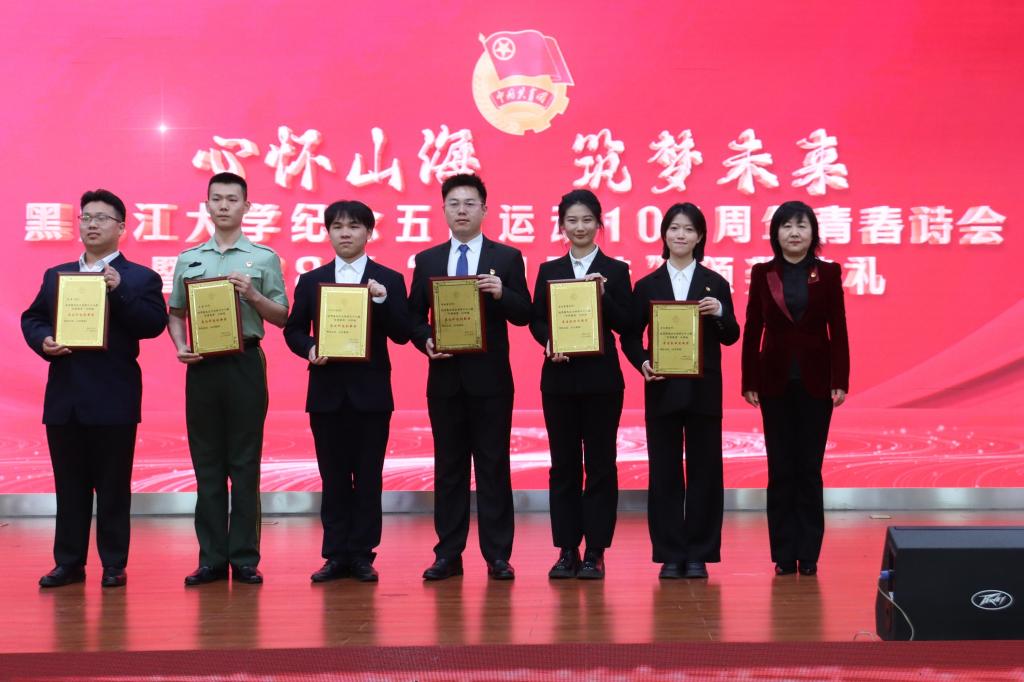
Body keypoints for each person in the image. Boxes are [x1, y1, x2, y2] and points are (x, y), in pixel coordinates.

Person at [22, 188, 167, 588]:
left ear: (121, 227)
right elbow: (32, 318)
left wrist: (120, 290)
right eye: (86, 217)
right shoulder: (57, 275)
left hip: (113, 398)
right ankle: (68, 563)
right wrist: (43, 341)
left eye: (101, 218)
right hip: (65, 397)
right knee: (69, 487)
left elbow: (153, 324)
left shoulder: (140, 277)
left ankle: (114, 563)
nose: (91, 224)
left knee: (113, 487)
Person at [167, 172, 288, 586]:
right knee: (207, 464)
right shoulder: (189, 258)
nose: (223, 206)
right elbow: (176, 313)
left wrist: (252, 295)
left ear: (246, 207)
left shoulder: (263, 258)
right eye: (216, 199)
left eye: (232, 199)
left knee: (244, 462)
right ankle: (211, 559)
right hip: (202, 366)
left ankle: (245, 557)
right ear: (206, 206)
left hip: (244, 363)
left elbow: (282, 316)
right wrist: (180, 345)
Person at [408, 173, 531, 581]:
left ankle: (498, 555)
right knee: (449, 468)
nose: (462, 210)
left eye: (470, 203)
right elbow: (412, 316)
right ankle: (448, 553)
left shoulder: (507, 258)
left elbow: (525, 313)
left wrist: (502, 292)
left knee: (494, 466)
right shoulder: (427, 260)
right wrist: (425, 340)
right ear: (443, 210)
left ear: (484, 209)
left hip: (491, 382)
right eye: (454, 204)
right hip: (445, 380)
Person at [283, 200, 411, 583]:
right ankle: (335, 554)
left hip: (371, 395)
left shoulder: (388, 280)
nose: (345, 233)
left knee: (369, 477)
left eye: (354, 226)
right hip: (327, 394)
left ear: (369, 232)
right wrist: (310, 348)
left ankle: (362, 554)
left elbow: (402, 334)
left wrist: (382, 300)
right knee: (333, 477)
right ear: (328, 233)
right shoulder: (312, 280)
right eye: (337, 226)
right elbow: (293, 330)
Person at [622, 202, 739, 580]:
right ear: (664, 234)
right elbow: (629, 336)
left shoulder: (715, 283)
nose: (681, 235)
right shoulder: (647, 285)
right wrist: (643, 363)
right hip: (662, 390)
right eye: (674, 228)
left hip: (704, 392)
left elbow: (732, 335)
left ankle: (700, 552)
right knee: (664, 473)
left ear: (700, 236)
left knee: (706, 472)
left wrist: (720, 312)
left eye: (689, 229)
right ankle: (670, 553)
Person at [741, 200, 849, 577]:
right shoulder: (763, 273)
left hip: (817, 383)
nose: (794, 233)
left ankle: (809, 552)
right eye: (786, 226)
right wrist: (749, 380)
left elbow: (838, 329)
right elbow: (753, 328)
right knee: (781, 468)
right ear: (776, 233)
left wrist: (840, 380)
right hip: (774, 382)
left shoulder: (828, 273)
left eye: (802, 226)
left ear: (813, 232)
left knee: (809, 469)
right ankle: (784, 554)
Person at [529, 189, 631, 580]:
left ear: (599, 224)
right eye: (572, 220)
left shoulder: (615, 271)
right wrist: (548, 341)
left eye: (587, 220)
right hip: (559, 381)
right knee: (564, 466)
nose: (580, 227)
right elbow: (537, 320)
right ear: (561, 226)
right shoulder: (549, 270)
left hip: (603, 382)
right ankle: (567, 549)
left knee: (601, 465)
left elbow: (627, 324)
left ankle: (596, 550)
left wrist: (604, 296)